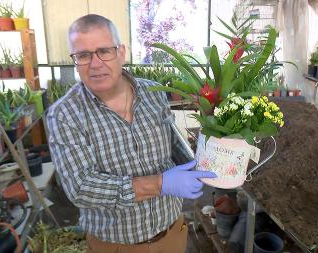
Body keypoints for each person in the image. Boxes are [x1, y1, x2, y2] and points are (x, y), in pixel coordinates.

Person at [46, 14, 216, 253]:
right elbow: (81, 188)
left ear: (121, 52)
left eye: (104, 51)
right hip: (116, 246)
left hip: (173, 234)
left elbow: (171, 142)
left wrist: (207, 157)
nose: (95, 64)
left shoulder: (154, 93)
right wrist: (161, 183)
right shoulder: (65, 115)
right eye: (83, 55)